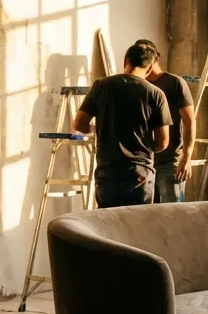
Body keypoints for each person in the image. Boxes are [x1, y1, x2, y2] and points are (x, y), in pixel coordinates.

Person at [73, 43, 170, 208]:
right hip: (139, 174)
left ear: (126, 60)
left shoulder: (101, 86)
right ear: (149, 69)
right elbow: (163, 142)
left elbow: (79, 124)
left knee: (108, 222)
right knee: (137, 222)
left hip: (108, 174)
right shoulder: (155, 94)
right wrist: (143, 148)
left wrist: (98, 130)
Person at [135, 39, 195, 203]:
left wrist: (186, 157)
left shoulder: (175, 83)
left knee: (173, 213)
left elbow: (190, 121)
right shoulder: (139, 85)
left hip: (170, 162)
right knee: (146, 214)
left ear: (157, 58)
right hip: (144, 163)